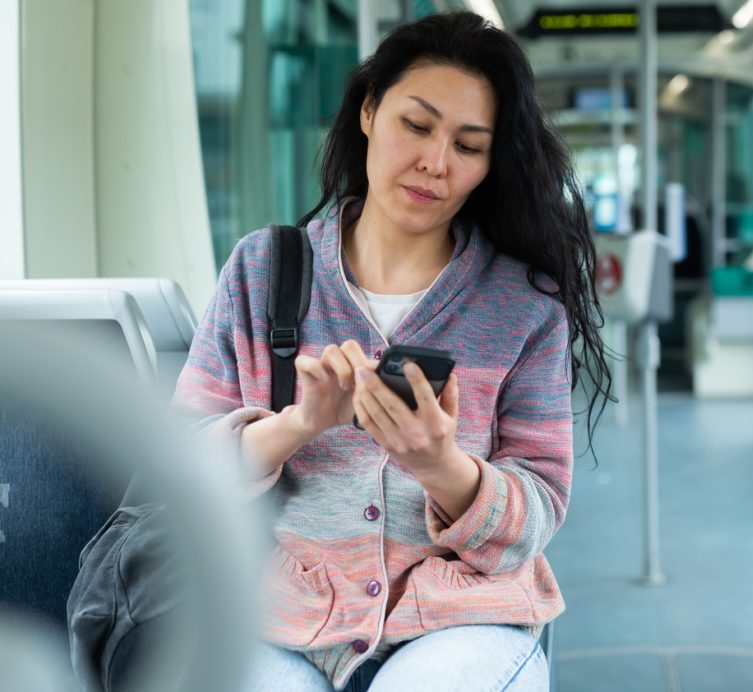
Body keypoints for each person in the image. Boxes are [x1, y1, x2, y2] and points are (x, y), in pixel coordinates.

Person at [172, 11, 611, 692]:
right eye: (417, 124)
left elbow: (535, 517)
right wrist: (297, 426)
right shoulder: (263, 270)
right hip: (281, 616)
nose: (436, 163)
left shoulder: (524, 303)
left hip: (461, 620)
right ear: (370, 112)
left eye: (469, 145)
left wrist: (440, 467)